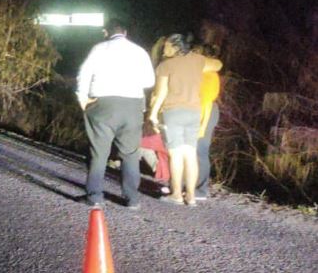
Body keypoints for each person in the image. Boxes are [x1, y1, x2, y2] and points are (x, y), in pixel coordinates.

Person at [76, 18, 156, 209]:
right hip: (133, 106)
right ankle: (132, 198)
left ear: (106, 32)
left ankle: (94, 195)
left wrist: (83, 99)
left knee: (99, 151)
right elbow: (149, 81)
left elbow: (84, 74)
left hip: (104, 104)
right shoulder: (139, 51)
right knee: (130, 153)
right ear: (125, 32)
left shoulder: (99, 49)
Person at [148, 34, 222, 206]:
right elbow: (218, 64)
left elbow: (161, 93)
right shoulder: (198, 61)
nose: (164, 49)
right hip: (194, 112)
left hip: (173, 112)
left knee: (175, 154)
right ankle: (191, 196)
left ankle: (176, 195)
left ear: (175, 47)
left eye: (166, 46)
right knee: (190, 154)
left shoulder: (165, 65)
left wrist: (152, 114)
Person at [193, 43, 221, 201]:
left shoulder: (209, 75)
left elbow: (206, 102)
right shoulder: (200, 73)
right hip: (198, 110)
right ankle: (190, 185)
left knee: (200, 150)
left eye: (196, 53)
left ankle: (201, 189)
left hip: (205, 113)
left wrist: (203, 125)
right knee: (192, 150)